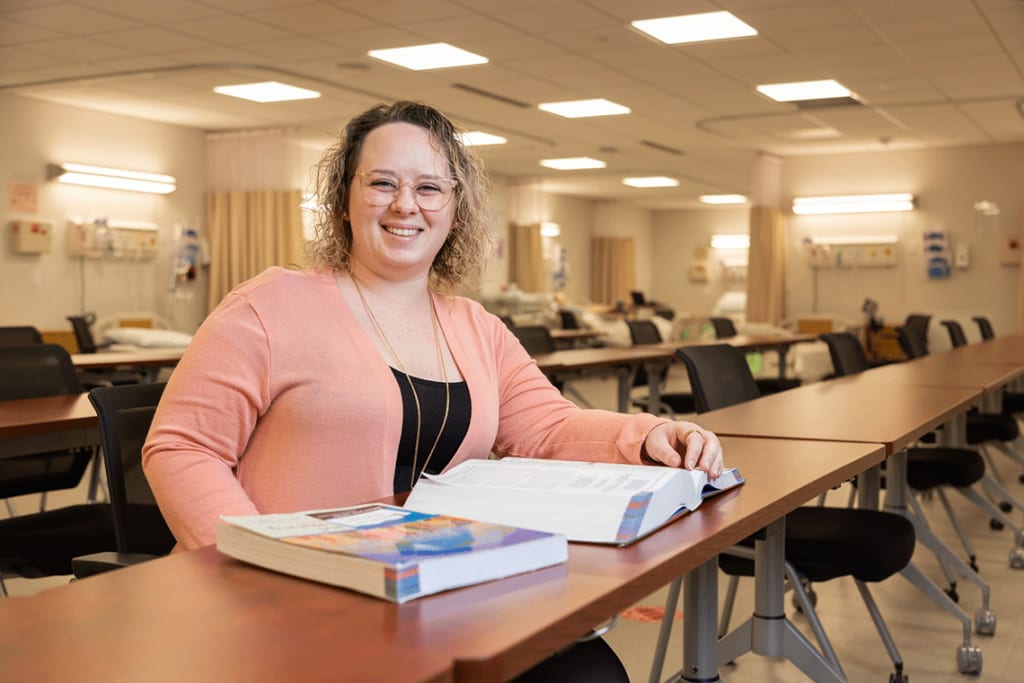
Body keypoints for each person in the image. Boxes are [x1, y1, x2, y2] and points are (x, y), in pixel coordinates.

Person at [142, 100, 724, 681]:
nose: (405, 205)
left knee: (590, 673)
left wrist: (650, 434)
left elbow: (547, 426)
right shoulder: (267, 307)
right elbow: (181, 448)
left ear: (454, 209)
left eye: (428, 188)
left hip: (436, 588)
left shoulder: (476, 326)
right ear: (345, 200)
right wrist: (259, 559)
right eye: (382, 183)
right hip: (294, 601)